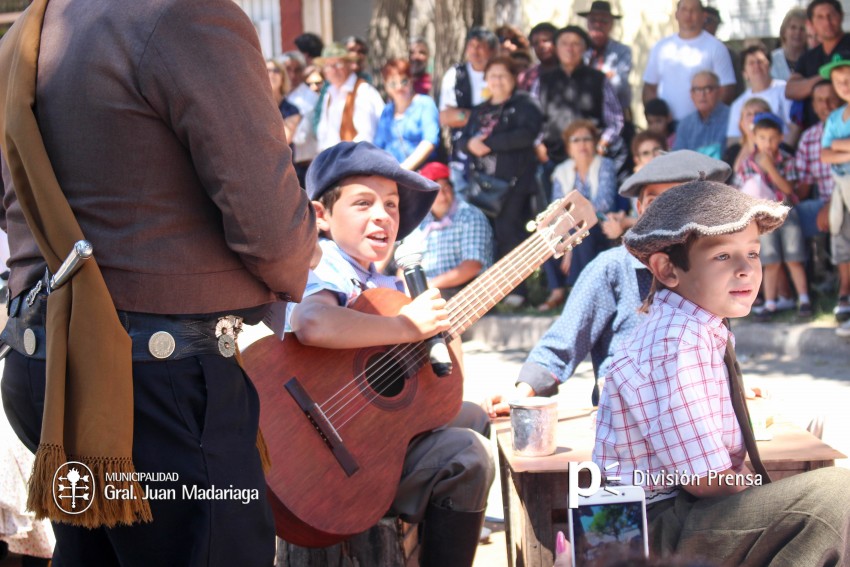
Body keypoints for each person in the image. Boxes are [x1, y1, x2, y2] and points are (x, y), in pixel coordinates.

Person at [0, 1, 318, 566]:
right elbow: (273, 230)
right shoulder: (185, 13)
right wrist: (300, 255)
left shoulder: (33, 24)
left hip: (51, 367)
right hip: (154, 388)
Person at [594, 181, 850, 564]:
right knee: (836, 494)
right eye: (723, 257)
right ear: (666, 269)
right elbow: (707, 480)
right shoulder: (676, 341)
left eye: (752, 253)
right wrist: (769, 500)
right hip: (645, 530)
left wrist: (765, 495)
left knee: (813, 499)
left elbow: (721, 468)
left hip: (683, 510)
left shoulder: (696, 326)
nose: (746, 269)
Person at [279, 142, 494, 567]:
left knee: (473, 416)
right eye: (363, 203)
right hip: (319, 449)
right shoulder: (323, 265)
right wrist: (405, 326)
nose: (383, 215)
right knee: (468, 455)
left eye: (392, 205)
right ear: (322, 216)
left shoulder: (394, 288)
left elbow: (444, 387)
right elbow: (312, 323)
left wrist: (439, 326)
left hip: (369, 438)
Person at [484, 151, 731, 413]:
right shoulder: (612, 268)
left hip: (700, 417)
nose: (666, 214)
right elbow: (563, 341)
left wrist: (733, 388)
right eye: (655, 202)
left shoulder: (710, 270)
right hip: (626, 421)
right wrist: (520, 395)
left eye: (677, 202)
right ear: (640, 210)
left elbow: (716, 351)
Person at [457, 56, 543, 307]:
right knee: (485, 235)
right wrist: (469, 144)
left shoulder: (524, 104)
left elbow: (527, 135)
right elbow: (462, 139)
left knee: (510, 234)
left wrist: (488, 144)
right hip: (482, 184)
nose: (497, 80)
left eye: (502, 75)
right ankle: (487, 295)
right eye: (492, 75)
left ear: (513, 78)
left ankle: (517, 292)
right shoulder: (481, 109)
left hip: (514, 183)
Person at [736, 112, 812, 318]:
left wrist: (770, 168)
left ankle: (804, 300)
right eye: (762, 138)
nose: (767, 143)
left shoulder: (786, 159)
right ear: (755, 138)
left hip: (787, 213)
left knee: (794, 257)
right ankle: (770, 303)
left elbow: (788, 189)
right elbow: (745, 188)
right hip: (762, 219)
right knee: (770, 260)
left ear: (780, 137)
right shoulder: (748, 163)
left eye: (772, 138)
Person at [541, 120, 618, 310]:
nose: (582, 144)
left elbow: (604, 203)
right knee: (546, 236)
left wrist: (572, 236)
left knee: (584, 235)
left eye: (587, 139)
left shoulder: (605, 165)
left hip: (600, 225)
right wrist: (568, 236)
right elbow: (557, 209)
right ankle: (557, 291)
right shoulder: (562, 171)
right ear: (569, 147)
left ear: (594, 143)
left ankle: (579, 292)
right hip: (569, 227)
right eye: (576, 140)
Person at [403, 161, 493, 300]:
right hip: (425, 289)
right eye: (436, 192)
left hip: (464, 290)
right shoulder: (419, 220)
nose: (443, 196)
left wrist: (428, 286)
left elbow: (472, 266)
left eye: (446, 188)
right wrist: (406, 289)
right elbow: (404, 263)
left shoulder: (470, 215)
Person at [537, 26, 624, 167]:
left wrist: (602, 144)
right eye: (564, 44)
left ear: (584, 48)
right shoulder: (543, 81)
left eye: (575, 44)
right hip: (552, 157)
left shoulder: (599, 79)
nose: (569, 49)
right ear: (556, 48)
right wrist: (539, 147)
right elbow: (533, 118)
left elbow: (615, 121)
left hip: (592, 156)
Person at [642, 0, 736, 121]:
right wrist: (657, 118)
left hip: (705, 124)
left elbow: (726, 89)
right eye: (684, 10)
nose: (688, 14)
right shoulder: (661, 47)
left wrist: (708, 119)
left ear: (703, 16)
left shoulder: (716, 48)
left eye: (693, 10)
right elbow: (650, 88)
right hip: (668, 126)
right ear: (676, 14)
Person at [439, 26, 498, 196]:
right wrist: (484, 117)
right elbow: (445, 116)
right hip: (461, 153)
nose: (475, 51)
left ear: (492, 50)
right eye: (471, 45)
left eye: (480, 46)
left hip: (495, 153)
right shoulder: (455, 75)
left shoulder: (500, 74)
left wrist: (463, 114)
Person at [795, 80, 841, 295]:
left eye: (832, 99)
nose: (827, 105)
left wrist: (832, 205)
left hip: (844, 200)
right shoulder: (808, 138)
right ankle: (806, 286)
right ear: (813, 106)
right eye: (820, 100)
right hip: (821, 203)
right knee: (791, 218)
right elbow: (803, 188)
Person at [817, 54, 850, 336]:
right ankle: (845, 297)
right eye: (839, 82)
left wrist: (840, 147)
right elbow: (825, 154)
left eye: (848, 79)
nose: (845, 85)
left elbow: (833, 150)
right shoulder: (835, 119)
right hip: (842, 190)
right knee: (842, 242)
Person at [786, 0, 850, 129]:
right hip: (816, 132)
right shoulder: (808, 57)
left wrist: (808, 84)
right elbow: (790, 90)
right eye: (820, 17)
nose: (827, 22)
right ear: (810, 24)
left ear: (841, 16)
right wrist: (826, 75)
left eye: (831, 15)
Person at [315, 43, 385, 151]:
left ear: (349, 65)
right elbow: (324, 134)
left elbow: (366, 137)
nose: (334, 70)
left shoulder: (362, 91)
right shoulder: (329, 94)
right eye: (328, 65)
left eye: (338, 64)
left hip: (358, 162)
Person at [374, 59, 440, 171]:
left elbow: (430, 141)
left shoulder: (425, 104)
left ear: (411, 81)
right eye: (393, 83)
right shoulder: (387, 111)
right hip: (392, 175)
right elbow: (378, 147)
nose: (399, 87)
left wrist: (404, 169)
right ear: (386, 86)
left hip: (420, 175)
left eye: (404, 81)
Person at [726, 44, 793, 146]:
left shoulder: (786, 90)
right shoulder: (738, 104)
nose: (756, 66)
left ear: (769, 66)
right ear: (744, 73)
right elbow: (733, 140)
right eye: (751, 63)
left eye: (760, 62)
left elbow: (793, 127)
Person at [580, 0, 633, 116]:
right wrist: (606, 76)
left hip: (615, 113)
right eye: (593, 20)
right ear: (587, 23)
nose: (598, 25)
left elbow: (619, 84)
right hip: (582, 114)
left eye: (603, 21)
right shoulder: (578, 50)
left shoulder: (622, 51)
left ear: (611, 24)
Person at [281, 51, 320, 186]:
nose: (292, 75)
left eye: (297, 70)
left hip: (305, 165)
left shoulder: (311, 98)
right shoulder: (278, 96)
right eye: (288, 69)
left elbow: (302, 136)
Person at [672, 71, 730, 159]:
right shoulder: (685, 125)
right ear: (691, 94)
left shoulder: (732, 117)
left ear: (720, 91)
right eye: (697, 90)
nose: (702, 95)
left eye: (708, 89)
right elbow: (677, 159)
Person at [266, 59, 301, 145]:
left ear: (283, 78)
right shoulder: (254, 108)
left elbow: (284, 140)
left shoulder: (291, 110)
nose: (271, 74)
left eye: (276, 71)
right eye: (267, 71)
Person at [518, 22, 558, 91]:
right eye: (536, 43)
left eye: (546, 41)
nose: (541, 46)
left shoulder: (570, 73)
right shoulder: (526, 77)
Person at [772, 8, 808, 81]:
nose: (798, 32)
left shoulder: (814, 57)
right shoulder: (771, 60)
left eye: (802, 29)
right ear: (784, 31)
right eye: (793, 27)